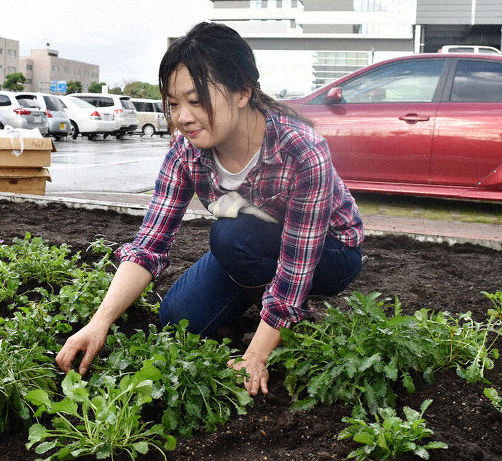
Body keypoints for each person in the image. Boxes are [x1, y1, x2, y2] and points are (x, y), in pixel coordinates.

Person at [56, 22, 364, 395]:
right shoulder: (185, 154)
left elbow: (297, 265)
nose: (183, 117)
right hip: (251, 251)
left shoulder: (300, 149)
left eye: (197, 100)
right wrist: (99, 322)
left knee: (233, 235)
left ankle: (284, 321)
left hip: (329, 253)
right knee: (178, 320)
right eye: (173, 104)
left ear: (243, 92)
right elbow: (150, 244)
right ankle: (263, 304)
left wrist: (255, 355)